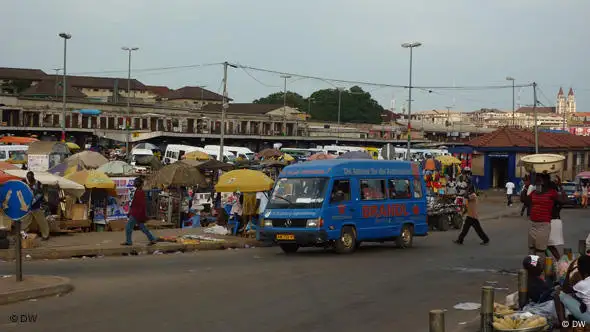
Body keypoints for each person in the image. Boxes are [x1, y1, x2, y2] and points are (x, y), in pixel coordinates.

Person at [526, 173, 564, 263]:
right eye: (537, 180)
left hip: (544, 224)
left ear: (546, 181)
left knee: (540, 250)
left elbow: (563, 200)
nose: (538, 182)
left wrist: (560, 187)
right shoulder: (534, 192)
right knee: (532, 249)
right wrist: (527, 186)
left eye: (540, 180)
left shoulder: (552, 192)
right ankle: (533, 267)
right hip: (532, 223)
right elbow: (524, 200)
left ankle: (539, 270)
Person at [121, 177, 157, 246]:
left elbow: (139, 204)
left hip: (136, 213)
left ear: (138, 183)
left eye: (135, 182)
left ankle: (129, 241)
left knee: (128, 227)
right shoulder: (138, 191)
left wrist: (134, 213)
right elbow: (135, 202)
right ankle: (152, 239)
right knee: (143, 228)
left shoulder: (139, 192)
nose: (134, 183)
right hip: (137, 213)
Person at [22, 171, 50, 240]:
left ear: (33, 176)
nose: (29, 178)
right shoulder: (26, 183)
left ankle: (45, 235)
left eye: (30, 177)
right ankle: (22, 235)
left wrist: (34, 200)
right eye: (28, 177)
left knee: (42, 222)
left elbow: (40, 194)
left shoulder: (38, 183)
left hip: (36, 206)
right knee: (24, 222)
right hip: (28, 207)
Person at [547, 178, 565, 260]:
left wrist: (560, 187)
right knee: (543, 245)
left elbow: (565, 200)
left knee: (544, 245)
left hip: (552, 222)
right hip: (552, 221)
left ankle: (558, 262)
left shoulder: (554, 198)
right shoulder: (555, 197)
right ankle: (556, 262)